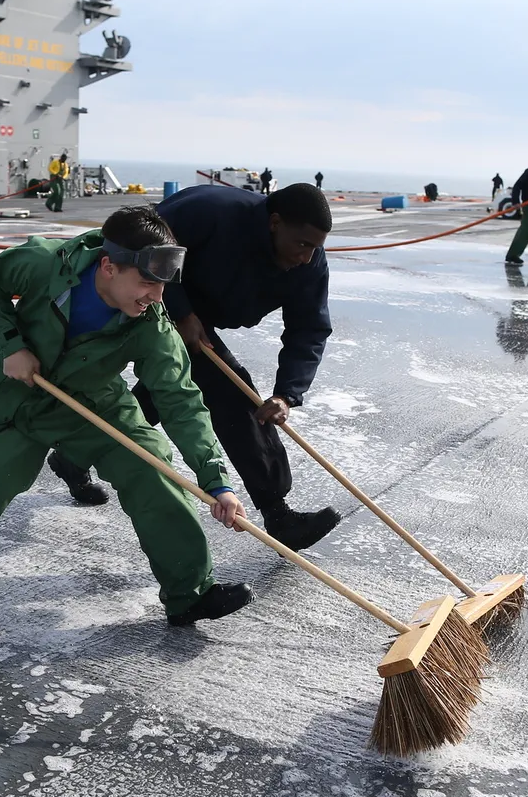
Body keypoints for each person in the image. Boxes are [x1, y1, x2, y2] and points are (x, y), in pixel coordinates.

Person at [0, 205, 253, 628]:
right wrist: (11, 344)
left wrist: (216, 481)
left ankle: (189, 593)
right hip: (21, 392)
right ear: (108, 266)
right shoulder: (45, 264)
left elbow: (180, 401)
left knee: (152, 470)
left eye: (164, 286)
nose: (156, 296)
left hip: (94, 399)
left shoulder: (151, 325)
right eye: (147, 282)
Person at [48, 183, 340, 551]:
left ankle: (74, 456)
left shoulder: (310, 262)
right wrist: (181, 311)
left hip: (199, 318)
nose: (307, 256)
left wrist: (287, 393)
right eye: (302, 244)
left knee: (162, 393)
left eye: (317, 247)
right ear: (275, 222)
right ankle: (277, 514)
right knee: (230, 393)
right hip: (145, 298)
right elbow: (149, 247)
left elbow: (309, 326)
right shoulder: (211, 211)